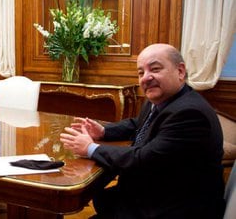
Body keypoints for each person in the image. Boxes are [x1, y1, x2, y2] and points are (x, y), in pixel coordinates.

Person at [60, 43, 225, 219]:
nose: (146, 78)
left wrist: (91, 148)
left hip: (173, 207)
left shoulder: (189, 114)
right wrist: (103, 132)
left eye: (155, 69)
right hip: (155, 192)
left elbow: (143, 159)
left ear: (180, 71)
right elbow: (136, 124)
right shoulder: (162, 100)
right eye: (141, 72)